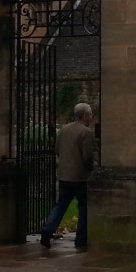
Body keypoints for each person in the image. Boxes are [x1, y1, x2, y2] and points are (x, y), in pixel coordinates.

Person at [40, 103, 97, 249]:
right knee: (83, 207)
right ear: (84, 115)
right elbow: (87, 156)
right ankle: (81, 239)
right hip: (80, 176)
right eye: (90, 114)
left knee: (61, 205)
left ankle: (47, 230)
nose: (91, 117)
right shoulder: (86, 132)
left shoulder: (64, 130)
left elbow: (57, 150)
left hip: (64, 175)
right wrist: (93, 168)